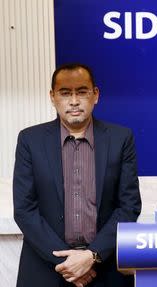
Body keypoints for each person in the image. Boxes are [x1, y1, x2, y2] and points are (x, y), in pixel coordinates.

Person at [13, 64, 142, 287]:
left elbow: (129, 206)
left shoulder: (120, 138)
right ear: (52, 97)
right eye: (65, 93)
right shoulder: (30, 140)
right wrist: (69, 263)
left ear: (96, 95)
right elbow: (25, 210)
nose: (74, 101)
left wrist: (92, 256)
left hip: (106, 270)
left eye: (82, 92)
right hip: (46, 271)